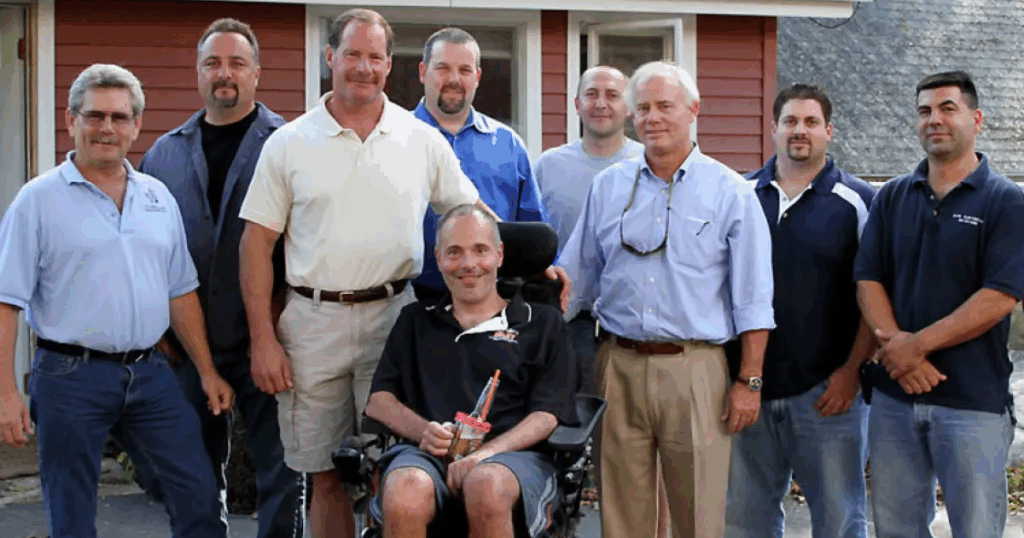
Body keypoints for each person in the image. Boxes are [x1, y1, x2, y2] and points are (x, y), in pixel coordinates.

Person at [238, 9, 567, 538]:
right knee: (323, 475)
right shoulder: (289, 143)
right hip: (310, 321)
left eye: (375, 57)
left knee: (388, 471)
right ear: (330, 59)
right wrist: (262, 338)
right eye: (352, 54)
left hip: (394, 320)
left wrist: (535, 260)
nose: (363, 68)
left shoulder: (419, 139)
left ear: (390, 64)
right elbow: (256, 245)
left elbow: (474, 214)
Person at [0, 63, 233, 538]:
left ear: (136, 126)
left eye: (120, 117)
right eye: (95, 116)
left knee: (198, 497)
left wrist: (207, 370)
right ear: (71, 121)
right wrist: (6, 393)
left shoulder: (157, 197)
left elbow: (180, 291)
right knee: (72, 516)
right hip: (69, 378)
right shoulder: (37, 200)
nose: (107, 128)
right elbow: (7, 302)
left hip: (150, 376)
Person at [559, 61, 775, 538]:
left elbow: (754, 300)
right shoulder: (608, 187)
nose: (652, 117)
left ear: (693, 110)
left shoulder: (732, 193)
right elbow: (574, 280)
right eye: (643, 108)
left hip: (696, 371)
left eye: (665, 106)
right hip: (617, 364)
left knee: (696, 516)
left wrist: (749, 381)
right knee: (621, 513)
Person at [138, 18, 304, 538]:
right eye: (213, 63)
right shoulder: (164, 153)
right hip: (187, 345)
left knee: (283, 471)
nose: (224, 74)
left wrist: (273, 328)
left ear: (257, 72)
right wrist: (157, 327)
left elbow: (303, 244)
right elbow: (147, 248)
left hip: (271, 337)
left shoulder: (289, 145)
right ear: (198, 73)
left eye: (236, 63)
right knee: (191, 474)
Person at [854, 70, 1024, 538]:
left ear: (976, 118)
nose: (935, 119)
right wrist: (900, 355)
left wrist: (915, 346)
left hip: (972, 403)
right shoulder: (891, 196)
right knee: (896, 529)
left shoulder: (1006, 201)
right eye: (925, 111)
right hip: (895, 400)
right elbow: (868, 279)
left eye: (948, 108)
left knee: (977, 530)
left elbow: (999, 296)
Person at [364, 204, 578, 538]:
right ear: (438, 259)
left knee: (485, 485)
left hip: (513, 457)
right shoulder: (415, 320)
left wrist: (488, 454)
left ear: (500, 254)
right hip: (426, 453)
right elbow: (379, 401)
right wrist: (423, 431)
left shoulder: (542, 323)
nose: (468, 265)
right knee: (405, 491)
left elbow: (548, 414)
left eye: (480, 250)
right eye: (454, 253)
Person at [724, 84, 876, 538]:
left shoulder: (861, 201)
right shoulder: (738, 194)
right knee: (745, 523)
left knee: (840, 520)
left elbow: (874, 297)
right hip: (747, 390)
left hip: (828, 395)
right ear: (773, 129)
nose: (800, 131)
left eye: (811, 122)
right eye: (790, 121)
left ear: (828, 131)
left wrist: (852, 370)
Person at [534, 65, 672, 538]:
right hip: (564, 325)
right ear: (576, 105)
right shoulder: (548, 166)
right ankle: (555, 523)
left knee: (627, 447)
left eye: (613, 95)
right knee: (556, 433)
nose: (601, 103)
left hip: (626, 329)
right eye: (590, 94)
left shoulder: (651, 162)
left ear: (629, 108)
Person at [411, 27, 546, 304]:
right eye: (443, 68)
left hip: (494, 303)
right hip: (413, 301)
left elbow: (530, 226)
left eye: (464, 70)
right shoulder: (397, 138)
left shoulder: (508, 144)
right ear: (423, 72)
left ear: (478, 77)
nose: (454, 79)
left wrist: (547, 266)